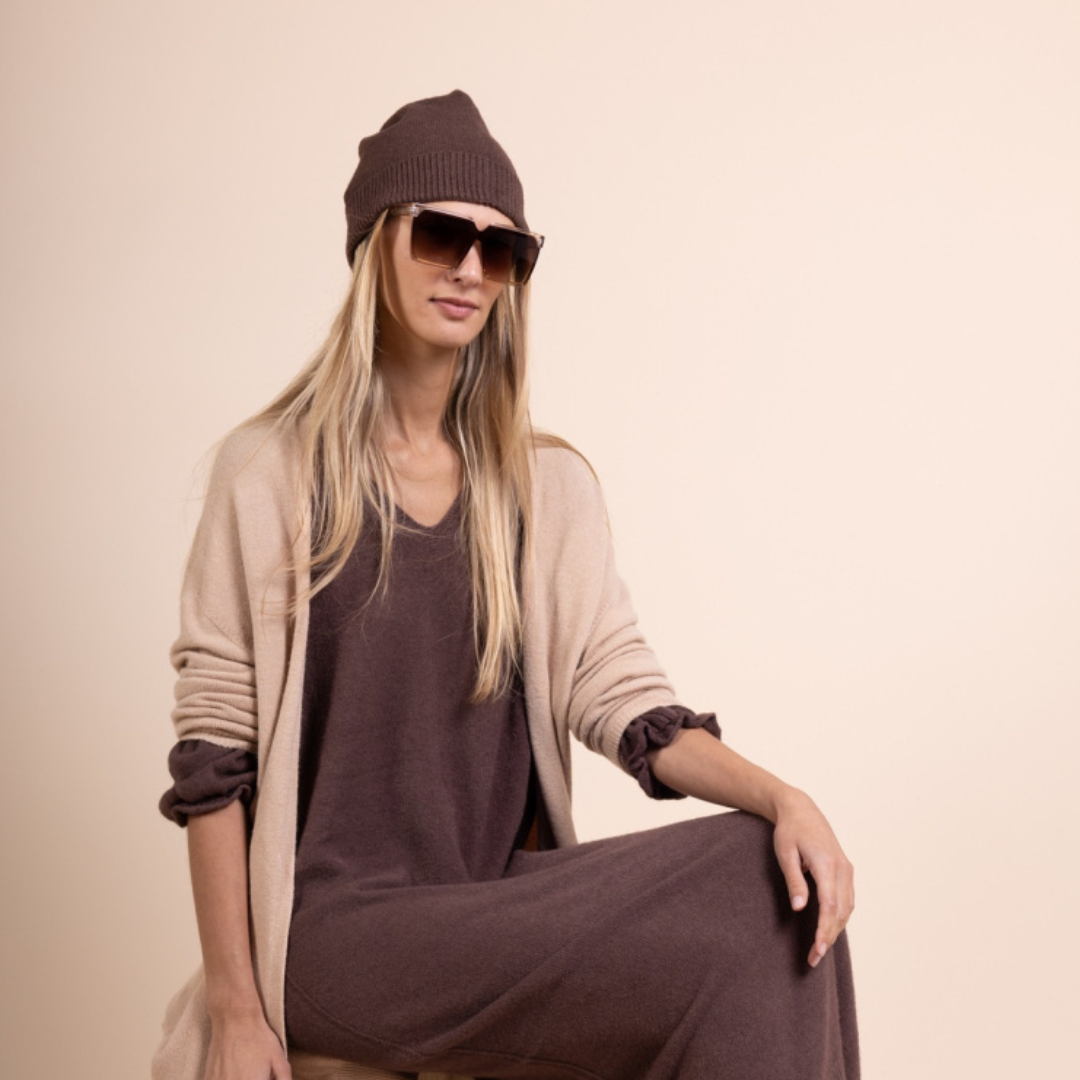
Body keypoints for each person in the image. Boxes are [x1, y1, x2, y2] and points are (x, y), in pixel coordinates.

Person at [153, 89, 860, 1080]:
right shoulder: (268, 476)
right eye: (442, 234)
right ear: (374, 243)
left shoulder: (545, 488)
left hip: (498, 909)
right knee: (759, 895)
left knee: (768, 873)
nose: (471, 269)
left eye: (504, 250)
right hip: (337, 937)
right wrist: (236, 1009)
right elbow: (212, 764)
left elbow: (623, 697)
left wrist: (787, 798)